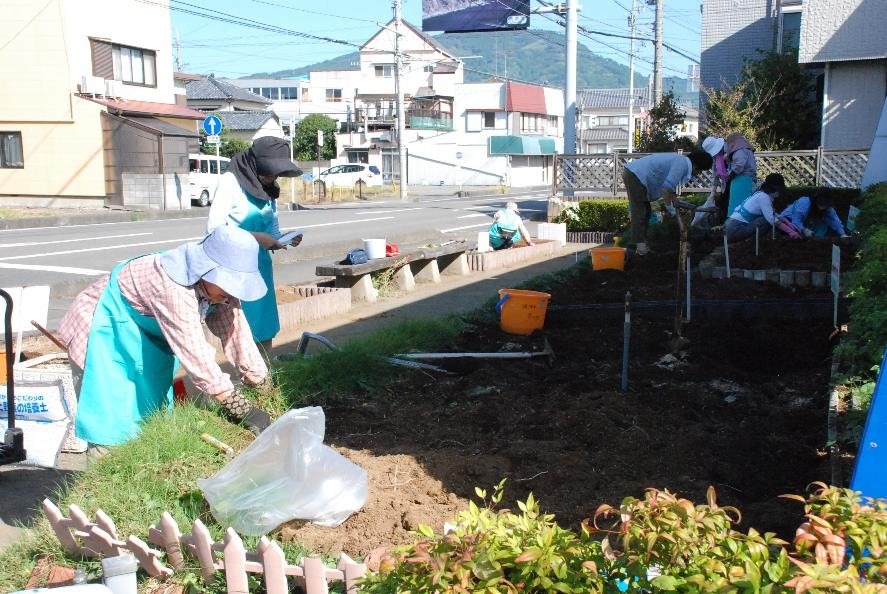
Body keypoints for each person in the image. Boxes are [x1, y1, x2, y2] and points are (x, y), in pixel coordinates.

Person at [57, 226, 274, 447]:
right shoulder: (173, 287)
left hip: (140, 341)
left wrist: (262, 383)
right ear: (206, 269)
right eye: (228, 283)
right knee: (113, 426)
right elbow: (197, 357)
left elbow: (235, 331)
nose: (230, 292)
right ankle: (108, 473)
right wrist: (242, 409)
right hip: (102, 333)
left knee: (150, 419)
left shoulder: (217, 290)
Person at [207, 136, 303, 357]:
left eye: (277, 174)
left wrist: (284, 239)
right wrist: (257, 238)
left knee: (264, 326)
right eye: (270, 172)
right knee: (240, 329)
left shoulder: (268, 188)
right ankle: (246, 381)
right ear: (255, 164)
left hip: (260, 267)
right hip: (234, 270)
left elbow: (272, 228)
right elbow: (214, 230)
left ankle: (265, 376)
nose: (273, 177)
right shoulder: (231, 182)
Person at [622, 150, 714, 255]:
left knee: (646, 211)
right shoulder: (681, 164)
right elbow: (665, 189)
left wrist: (677, 203)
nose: (699, 174)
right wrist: (671, 210)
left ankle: (641, 245)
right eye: (700, 171)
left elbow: (670, 191)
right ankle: (637, 247)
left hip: (635, 173)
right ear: (695, 166)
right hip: (635, 174)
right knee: (639, 211)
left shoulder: (681, 162)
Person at [724, 173, 787, 243]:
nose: (779, 193)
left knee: (767, 219)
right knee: (766, 221)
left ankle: (754, 241)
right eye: (779, 190)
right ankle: (752, 242)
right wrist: (791, 232)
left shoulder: (758, 194)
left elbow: (774, 214)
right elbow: (772, 219)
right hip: (734, 230)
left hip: (729, 229)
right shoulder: (764, 197)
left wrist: (788, 223)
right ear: (775, 189)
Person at [778, 193, 848, 238]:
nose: (822, 207)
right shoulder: (804, 203)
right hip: (787, 220)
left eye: (825, 205)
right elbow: (796, 220)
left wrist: (842, 234)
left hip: (805, 223)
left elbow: (834, 220)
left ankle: (816, 240)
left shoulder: (828, 208)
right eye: (821, 204)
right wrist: (804, 230)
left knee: (824, 224)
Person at [722, 133, 757, 220]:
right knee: (745, 206)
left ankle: (735, 226)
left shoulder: (740, 151)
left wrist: (730, 176)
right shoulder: (746, 150)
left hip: (742, 180)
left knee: (738, 206)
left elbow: (739, 166)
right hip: (746, 179)